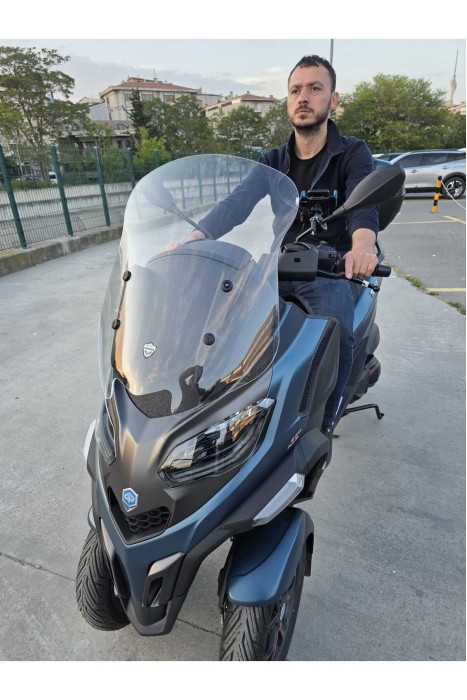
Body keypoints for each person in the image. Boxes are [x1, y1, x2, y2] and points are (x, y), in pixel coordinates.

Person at [181, 55, 379, 436]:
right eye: (295, 90)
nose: (303, 97)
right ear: (288, 100)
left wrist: (362, 246)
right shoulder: (273, 160)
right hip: (281, 264)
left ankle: (322, 425)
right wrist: (195, 239)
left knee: (336, 333)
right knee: (220, 318)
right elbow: (236, 204)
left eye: (315, 88)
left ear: (333, 99)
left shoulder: (352, 153)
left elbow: (363, 205)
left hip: (332, 268)